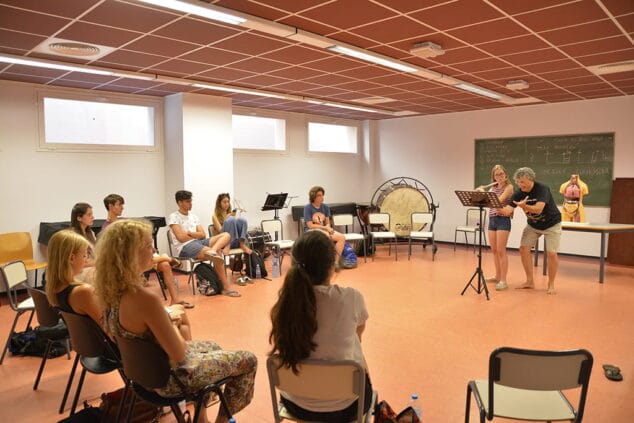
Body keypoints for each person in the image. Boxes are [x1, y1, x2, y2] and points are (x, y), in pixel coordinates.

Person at [94, 220, 256, 423]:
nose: (154, 250)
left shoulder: (109, 293)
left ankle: (201, 418)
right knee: (248, 360)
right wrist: (172, 322)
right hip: (169, 380)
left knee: (212, 346)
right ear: (130, 255)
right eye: (148, 246)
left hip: (141, 376)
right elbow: (179, 353)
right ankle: (222, 421)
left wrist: (161, 322)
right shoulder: (145, 299)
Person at [269, 230, 372, 422]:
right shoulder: (352, 298)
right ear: (332, 265)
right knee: (358, 351)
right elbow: (359, 335)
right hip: (346, 407)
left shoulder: (285, 303)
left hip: (296, 404)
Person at [103, 193, 193, 308]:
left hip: (142, 256)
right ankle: (166, 258)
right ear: (110, 206)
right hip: (129, 260)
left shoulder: (124, 222)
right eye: (119, 205)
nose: (122, 207)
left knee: (165, 265)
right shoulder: (108, 228)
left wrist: (148, 248)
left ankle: (175, 300)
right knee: (161, 260)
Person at [499, 167, 562, 294]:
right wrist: (492, 204)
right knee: (523, 249)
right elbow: (507, 211)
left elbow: (538, 209)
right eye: (518, 182)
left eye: (522, 182)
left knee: (551, 253)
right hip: (533, 225)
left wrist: (524, 206)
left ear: (531, 179)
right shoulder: (518, 193)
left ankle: (551, 284)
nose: (520, 184)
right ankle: (529, 281)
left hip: (552, 224)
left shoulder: (542, 189)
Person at [168, 190, 240, 297]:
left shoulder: (194, 216)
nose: (190, 204)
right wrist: (195, 234)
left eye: (191, 201)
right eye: (187, 201)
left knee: (226, 235)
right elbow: (181, 238)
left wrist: (190, 233)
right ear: (179, 203)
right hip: (185, 247)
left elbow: (203, 235)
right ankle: (226, 288)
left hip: (199, 242)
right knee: (218, 254)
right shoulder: (174, 216)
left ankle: (212, 251)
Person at [45, 230, 101, 324]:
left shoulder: (54, 287)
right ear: (71, 258)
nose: (86, 261)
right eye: (84, 256)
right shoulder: (83, 292)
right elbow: (110, 330)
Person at [476, 165, 514, 291]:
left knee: (501, 250)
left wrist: (484, 193)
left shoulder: (509, 187)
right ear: (493, 176)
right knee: (494, 251)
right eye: (497, 175)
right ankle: (497, 276)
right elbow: (487, 203)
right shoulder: (493, 188)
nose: (499, 176)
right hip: (492, 219)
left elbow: (498, 201)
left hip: (503, 219)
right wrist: (480, 194)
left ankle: (503, 280)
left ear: (506, 175)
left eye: (501, 174)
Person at [303, 186, 346, 266]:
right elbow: (310, 225)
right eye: (319, 195)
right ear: (313, 196)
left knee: (341, 237)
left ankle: (335, 262)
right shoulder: (308, 208)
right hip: (311, 231)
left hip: (323, 229)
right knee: (325, 236)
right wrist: (325, 228)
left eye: (322, 195)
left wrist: (328, 228)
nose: (322, 197)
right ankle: (324, 262)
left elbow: (327, 222)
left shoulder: (325, 207)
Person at [70, 202, 97, 282]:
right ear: (79, 218)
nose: (93, 217)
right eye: (89, 215)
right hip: (78, 271)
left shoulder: (91, 233)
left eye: (92, 214)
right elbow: (77, 263)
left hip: (92, 266)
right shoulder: (73, 236)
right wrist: (97, 262)